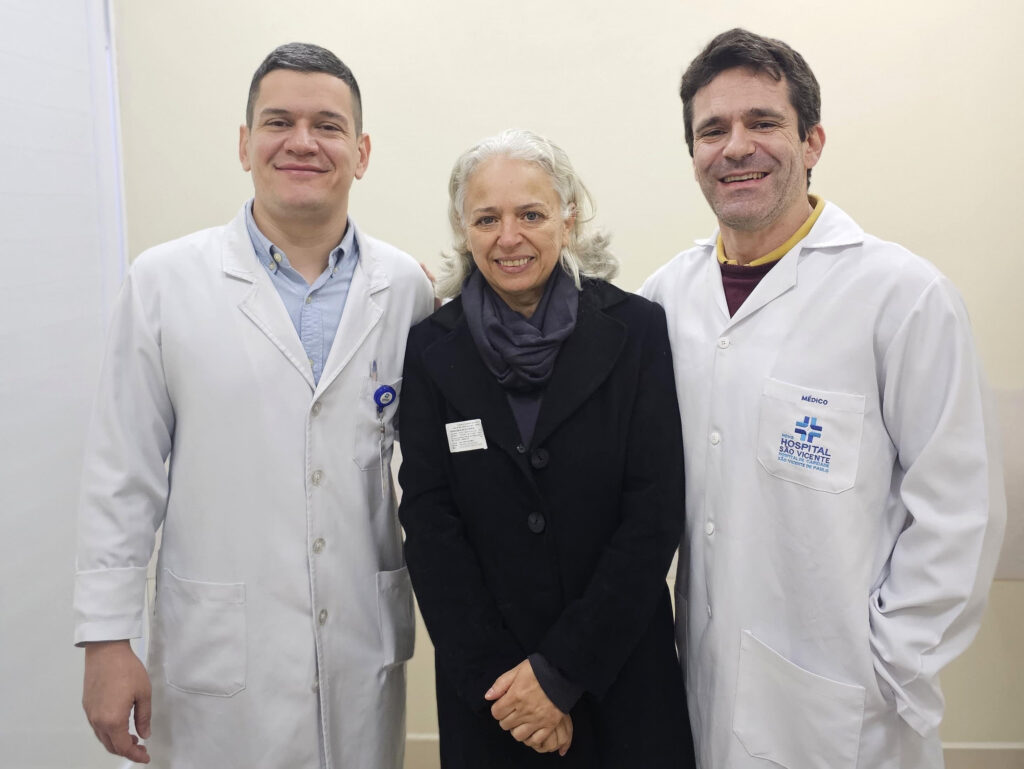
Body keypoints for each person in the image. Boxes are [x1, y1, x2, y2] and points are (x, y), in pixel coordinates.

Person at [640, 28, 1006, 769]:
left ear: (812, 142)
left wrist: (892, 665)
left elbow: (959, 510)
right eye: (712, 130)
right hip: (702, 688)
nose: (736, 147)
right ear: (693, 153)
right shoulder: (664, 299)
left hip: (848, 710)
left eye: (763, 122)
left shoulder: (902, 296)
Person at [74, 43, 434, 768]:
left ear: (361, 153)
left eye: (328, 125)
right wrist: (107, 638)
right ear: (244, 144)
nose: (303, 141)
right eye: (278, 122)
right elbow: (122, 473)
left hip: (359, 645)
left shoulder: (406, 289)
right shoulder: (163, 283)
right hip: (220, 657)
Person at [397, 129, 695, 768]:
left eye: (531, 214)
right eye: (487, 219)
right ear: (464, 230)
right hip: (495, 696)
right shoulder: (429, 350)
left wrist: (561, 673)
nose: (509, 237)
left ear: (569, 218)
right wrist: (507, 687)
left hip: (618, 676)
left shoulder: (637, 331)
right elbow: (429, 524)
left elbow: (653, 513)